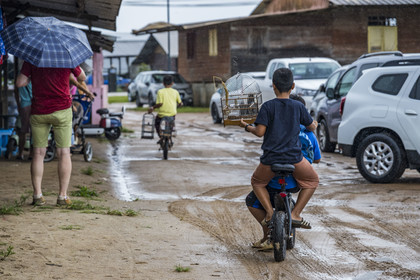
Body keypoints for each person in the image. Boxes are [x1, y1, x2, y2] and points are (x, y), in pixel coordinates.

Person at [240, 67, 319, 240]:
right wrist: (313, 124)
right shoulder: (298, 106)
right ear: (293, 86)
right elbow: (311, 127)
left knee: (257, 182)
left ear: (273, 86)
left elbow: (260, 132)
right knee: (312, 181)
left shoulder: (267, 107)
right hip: (294, 159)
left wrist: (247, 127)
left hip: (270, 159)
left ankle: (268, 213)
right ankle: (296, 213)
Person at [16, 61, 87, 206]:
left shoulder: (33, 57)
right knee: (64, 153)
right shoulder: (66, 57)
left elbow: (20, 82)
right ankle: (62, 196)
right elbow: (82, 77)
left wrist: (34, 78)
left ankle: (37, 195)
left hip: (39, 110)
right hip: (62, 110)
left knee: (38, 153)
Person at [148, 75, 183, 141]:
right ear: (172, 83)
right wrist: (178, 105)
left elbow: (160, 104)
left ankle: (160, 136)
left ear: (163, 83)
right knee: (172, 120)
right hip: (172, 113)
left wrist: (153, 107)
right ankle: (170, 131)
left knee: (157, 123)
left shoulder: (160, 91)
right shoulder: (175, 92)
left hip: (162, 114)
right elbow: (180, 103)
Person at [13, 68, 33, 160]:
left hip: (23, 105)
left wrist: (18, 104)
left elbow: (16, 91)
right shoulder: (32, 75)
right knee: (34, 130)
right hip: (33, 104)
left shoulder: (19, 75)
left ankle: (20, 153)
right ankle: (31, 154)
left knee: (22, 131)